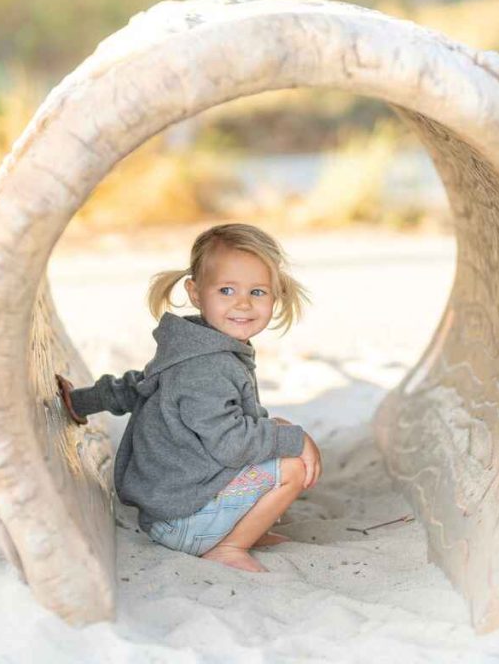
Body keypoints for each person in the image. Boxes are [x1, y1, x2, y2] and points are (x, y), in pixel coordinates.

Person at [55, 222, 321, 573]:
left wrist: (84, 401)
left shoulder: (192, 344)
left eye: (258, 292)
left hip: (169, 507)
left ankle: (243, 530)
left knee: (272, 431)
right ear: (196, 293)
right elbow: (231, 445)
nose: (243, 303)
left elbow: (138, 387)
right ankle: (228, 546)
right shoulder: (207, 367)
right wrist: (295, 438)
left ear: (276, 295)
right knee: (292, 466)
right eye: (226, 290)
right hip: (182, 520)